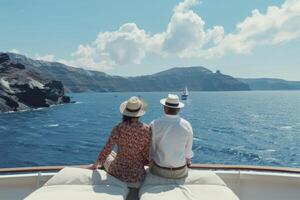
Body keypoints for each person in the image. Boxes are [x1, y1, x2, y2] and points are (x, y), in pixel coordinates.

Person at [90, 96, 151, 189]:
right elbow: (146, 153)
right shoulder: (147, 129)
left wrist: (96, 164)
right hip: (138, 175)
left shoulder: (119, 127)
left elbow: (108, 148)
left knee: (110, 156)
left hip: (118, 173)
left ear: (126, 112)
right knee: (114, 154)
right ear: (140, 113)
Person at [149, 94, 193, 179]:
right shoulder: (187, 125)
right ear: (179, 109)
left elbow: (152, 149)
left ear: (165, 108)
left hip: (160, 170)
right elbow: (188, 153)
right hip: (180, 171)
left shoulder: (154, 124)